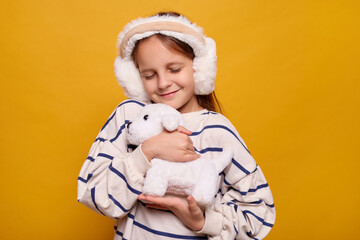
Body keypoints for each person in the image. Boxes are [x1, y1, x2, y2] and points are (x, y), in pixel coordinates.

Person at [77, 11, 276, 240]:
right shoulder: (129, 118)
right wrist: (147, 153)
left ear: (199, 68)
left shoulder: (219, 132)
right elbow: (92, 192)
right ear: (136, 79)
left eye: (174, 69)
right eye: (149, 74)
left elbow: (259, 213)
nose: (163, 83)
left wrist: (201, 221)